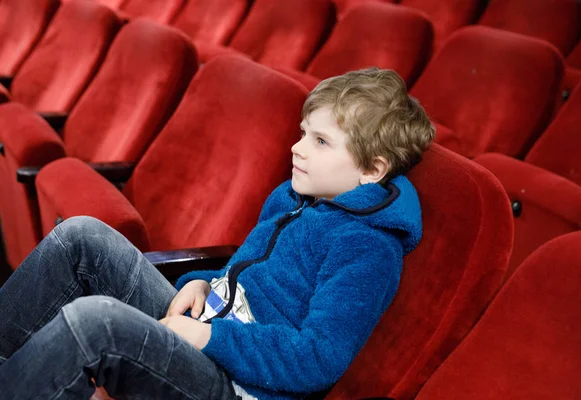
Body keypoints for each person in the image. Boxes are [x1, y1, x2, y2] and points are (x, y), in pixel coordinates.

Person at [0, 67, 435, 400]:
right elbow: (243, 272)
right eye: (304, 133)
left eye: (320, 142)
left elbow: (318, 358)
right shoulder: (295, 196)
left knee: (94, 324)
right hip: (209, 327)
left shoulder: (367, 248)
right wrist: (201, 284)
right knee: (82, 237)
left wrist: (209, 337)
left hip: (236, 385)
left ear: (371, 170)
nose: (296, 147)